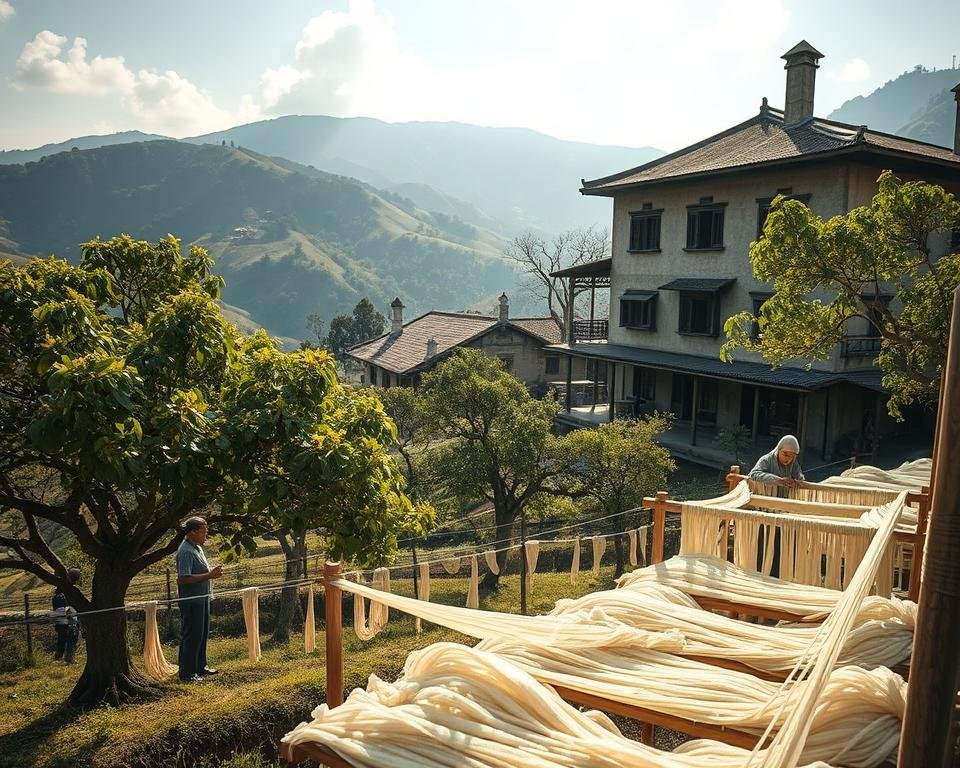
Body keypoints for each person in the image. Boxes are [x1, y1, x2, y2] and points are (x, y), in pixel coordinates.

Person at [748, 435, 805, 577]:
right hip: (766, 510)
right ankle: (760, 573)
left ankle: (777, 575)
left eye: (792, 456)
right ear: (778, 450)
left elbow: (799, 475)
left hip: (783, 512)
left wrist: (798, 481)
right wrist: (777, 480)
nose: (788, 459)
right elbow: (753, 474)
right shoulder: (767, 460)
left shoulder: (793, 464)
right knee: (765, 542)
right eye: (785, 454)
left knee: (780, 544)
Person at [176, 516, 223, 682]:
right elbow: (183, 578)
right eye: (204, 531)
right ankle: (187, 673)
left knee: (202, 633)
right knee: (192, 635)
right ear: (193, 532)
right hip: (192, 600)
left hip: (202, 598)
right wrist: (210, 575)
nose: (206, 534)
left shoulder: (197, 547)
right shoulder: (186, 551)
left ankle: (200, 667)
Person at [52, 568, 82, 664]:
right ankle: (69, 658)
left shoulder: (58, 592)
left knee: (62, 635)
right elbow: (68, 607)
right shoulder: (69, 591)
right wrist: (71, 619)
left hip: (59, 613)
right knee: (72, 634)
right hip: (67, 612)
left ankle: (58, 656)